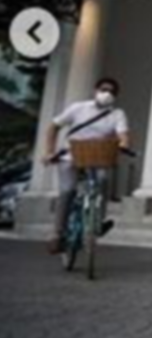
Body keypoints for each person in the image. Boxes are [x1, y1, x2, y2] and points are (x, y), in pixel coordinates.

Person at [43, 77, 130, 254]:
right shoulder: (78, 108)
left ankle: (98, 222)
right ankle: (57, 234)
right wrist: (49, 151)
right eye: (104, 89)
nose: (107, 94)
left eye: (112, 92)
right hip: (71, 154)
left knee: (103, 179)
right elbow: (53, 126)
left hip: (99, 156)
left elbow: (124, 135)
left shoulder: (117, 114)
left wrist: (123, 145)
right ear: (96, 90)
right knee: (68, 190)